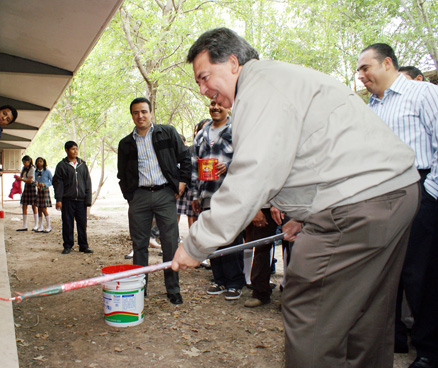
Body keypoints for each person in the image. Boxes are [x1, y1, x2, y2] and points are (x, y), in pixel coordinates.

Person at [172, 28, 420, 368]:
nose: (203, 90)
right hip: (390, 194)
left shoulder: (260, 88)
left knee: (309, 309)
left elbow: (253, 173)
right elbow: (311, 154)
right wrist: (301, 215)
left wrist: (196, 244)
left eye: (204, 77)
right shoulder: (277, 81)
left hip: (361, 206)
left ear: (232, 62)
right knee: (365, 314)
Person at [357, 43, 438, 367]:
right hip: (381, 195)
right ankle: (393, 339)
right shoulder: (370, 108)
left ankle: (430, 350)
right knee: (387, 269)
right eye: (359, 70)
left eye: (366, 68)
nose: (361, 76)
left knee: (422, 274)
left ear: (387, 62)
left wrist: (430, 193)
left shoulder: (422, 94)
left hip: (421, 190)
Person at [117, 97, 191, 305]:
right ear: (131, 115)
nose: (140, 116)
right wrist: (130, 196)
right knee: (139, 244)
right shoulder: (126, 143)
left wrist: (182, 182)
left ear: (151, 113)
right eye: (135, 113)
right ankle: (140, 288)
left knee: (169, 243)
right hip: (139, 196)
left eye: (143, 111)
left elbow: (185, 158)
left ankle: (173, 289)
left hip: (165, 194)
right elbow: (122, 174)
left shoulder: (167, 133)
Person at [191, 100, 244, 300]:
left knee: (230, 238)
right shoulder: (201, 135)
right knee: (211, 238)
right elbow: (195, 166)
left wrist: (228, 165)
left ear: (227, 107)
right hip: (207, 195)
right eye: (212, 104)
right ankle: (219, 279)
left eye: (219, 104)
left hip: (230, 194)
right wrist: (196, 195)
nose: (215, 107)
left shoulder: (236, 130)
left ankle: (235, 282)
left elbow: (246, 158)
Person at [53, 141, 93, 254]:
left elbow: (87, 182)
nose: (75, 151)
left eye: (76, 149)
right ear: (66, 150)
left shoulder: (82, 164)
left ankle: (83, 245)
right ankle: (68, 245)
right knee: (67, 223)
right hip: (67, 200)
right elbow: (58, 183)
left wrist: (88, 198)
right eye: (72, 149)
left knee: (82, 223)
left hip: (81, 200)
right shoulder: (61, 165)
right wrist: (59, 199)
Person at [16, 155, 38, 231]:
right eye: (23, 162)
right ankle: (24, 225)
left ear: (29, 161)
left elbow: (30, 180)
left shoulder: (32, 168)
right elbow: (23, 178)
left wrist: (21, 179)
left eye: (25, 162)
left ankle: (36, 225)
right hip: (26, 187)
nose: (24, 164)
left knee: (33, 206)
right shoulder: (24, 168)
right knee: (24, 205)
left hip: (31, 187)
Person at [34, 157, 53, 233]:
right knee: (39, 208)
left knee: (44, 209)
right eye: (38, 161)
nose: (39, 163)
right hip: (38, 191)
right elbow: (35, 180)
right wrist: (36, 184)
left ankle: (49, 226)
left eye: (41, 161)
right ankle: (40, 226)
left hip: (45, 190)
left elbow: (51, 181)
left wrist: (45, 185)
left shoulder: (47, 171)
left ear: (44, 162)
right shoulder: (36, 172)